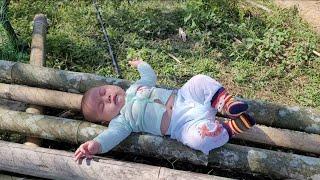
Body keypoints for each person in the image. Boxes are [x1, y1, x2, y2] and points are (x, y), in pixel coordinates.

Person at [74, 58, 256, 162]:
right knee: (199, 140)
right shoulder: (121, 121)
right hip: (183, 126)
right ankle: (230, 128)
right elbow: (110, 137)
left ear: (110, 86)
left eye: (103, 91)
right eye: (102, 105)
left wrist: (141, 65)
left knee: (199, 81)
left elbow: (149, 77)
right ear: (106, 120)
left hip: (185, 98)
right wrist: (95, 145)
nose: (106, 97)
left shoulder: (135, 87)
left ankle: (225, 102)